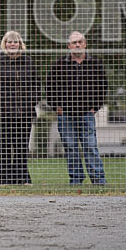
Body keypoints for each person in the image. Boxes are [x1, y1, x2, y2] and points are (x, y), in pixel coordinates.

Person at [46, 31, 108, 185]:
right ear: (69, 46)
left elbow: (103, 87)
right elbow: (50, 88)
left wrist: (95, 107)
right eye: (74, 42)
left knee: (90, 146)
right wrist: (56, 107)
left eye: (80, 42)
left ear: (85, 44)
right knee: (71, 148)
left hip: (87, 114)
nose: (77, 45)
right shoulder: (59, 65)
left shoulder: (95, 64)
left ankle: (98, 180)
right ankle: (76, 179)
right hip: (66, 115)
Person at [0, 31, 40, 185]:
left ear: (20, 44)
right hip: (2, 114)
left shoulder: (28, 62)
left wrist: (32, 101)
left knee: (21, 147)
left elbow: (36, 85)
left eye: (15, 42)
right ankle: (2, 178)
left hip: (24, 114)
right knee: (3, 146)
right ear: (4, 44)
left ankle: (22, 178)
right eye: (9, 42)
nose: (12, 44)